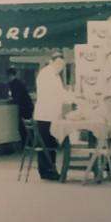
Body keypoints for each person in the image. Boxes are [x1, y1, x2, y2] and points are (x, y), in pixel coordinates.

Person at [33, 52, 67, 181]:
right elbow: (56, 95)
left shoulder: (55, 76)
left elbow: (61, 93)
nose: (61, 67)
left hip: (51, 115)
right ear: (51, 61)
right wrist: (70, 97)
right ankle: (47, 171)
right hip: (45, 115)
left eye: (62, 65)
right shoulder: (46, 74)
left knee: (50, 144)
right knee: (46, 145)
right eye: (58, 63)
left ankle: (50, 170)